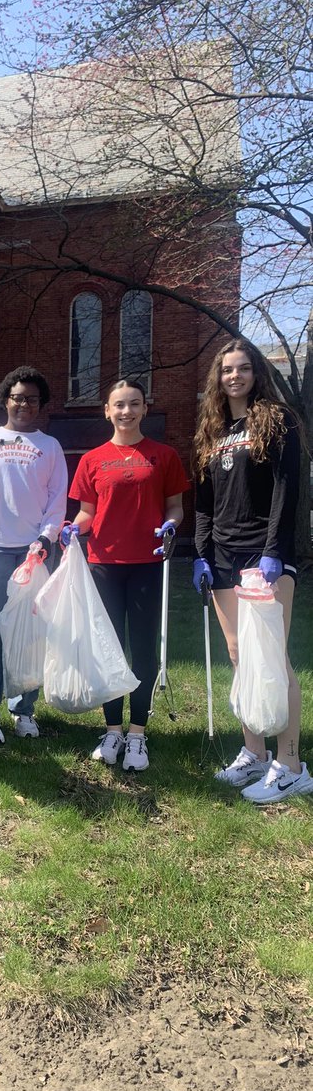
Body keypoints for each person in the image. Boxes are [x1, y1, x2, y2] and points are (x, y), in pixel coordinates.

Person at [193, 337, 309, 802]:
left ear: (257, 372)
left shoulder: (278, 421)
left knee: (274, 659)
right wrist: (200, 554)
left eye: (242, 368)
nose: (234, 376)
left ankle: (292, 764)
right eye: (226, 369)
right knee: (240, 655)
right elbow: (204, 502)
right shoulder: (213, 430)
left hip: (265, 557)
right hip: (222, 557)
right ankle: (254, 754)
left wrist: (274, 551)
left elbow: (288, 489)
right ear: (218, 378)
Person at [63, 379, 189, 771]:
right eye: (119, 405)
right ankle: (113, 729)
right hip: (104, 565)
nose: (126, 411)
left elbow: (175, 507)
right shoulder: (92, 459)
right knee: (109, 649)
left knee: (143, 649)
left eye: (134, 404)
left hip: (148, 565)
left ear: (144, 409)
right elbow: (87, 512)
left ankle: (138, 734)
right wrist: (73, 528)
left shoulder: (163, 456)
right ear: (107, 410)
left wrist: (171, 525)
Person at [0, 366, 67, 743]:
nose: (24, 404)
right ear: (6, 399)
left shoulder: (49, 447)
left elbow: (57, 501)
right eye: (18, 397)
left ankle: (23, 709)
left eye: (31, 399)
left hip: (32, 549)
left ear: (40, 405)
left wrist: (46, 538)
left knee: (30, 631)